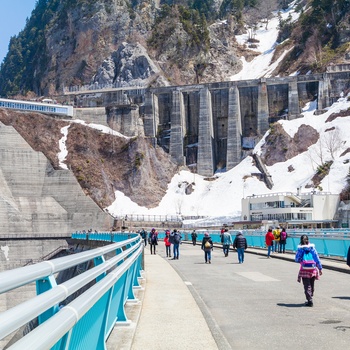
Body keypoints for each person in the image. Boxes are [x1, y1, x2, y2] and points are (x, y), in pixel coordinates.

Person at [295, 234, 323, 307]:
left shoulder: (300, 249)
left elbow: (297, 259)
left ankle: (309, 300)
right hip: (313, 269)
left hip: (304, 269)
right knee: (311, 284)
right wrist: (320, 268)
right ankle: (311, 296)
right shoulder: (312, 248)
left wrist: (302, 260)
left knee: (307, 286)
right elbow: (317, 258)